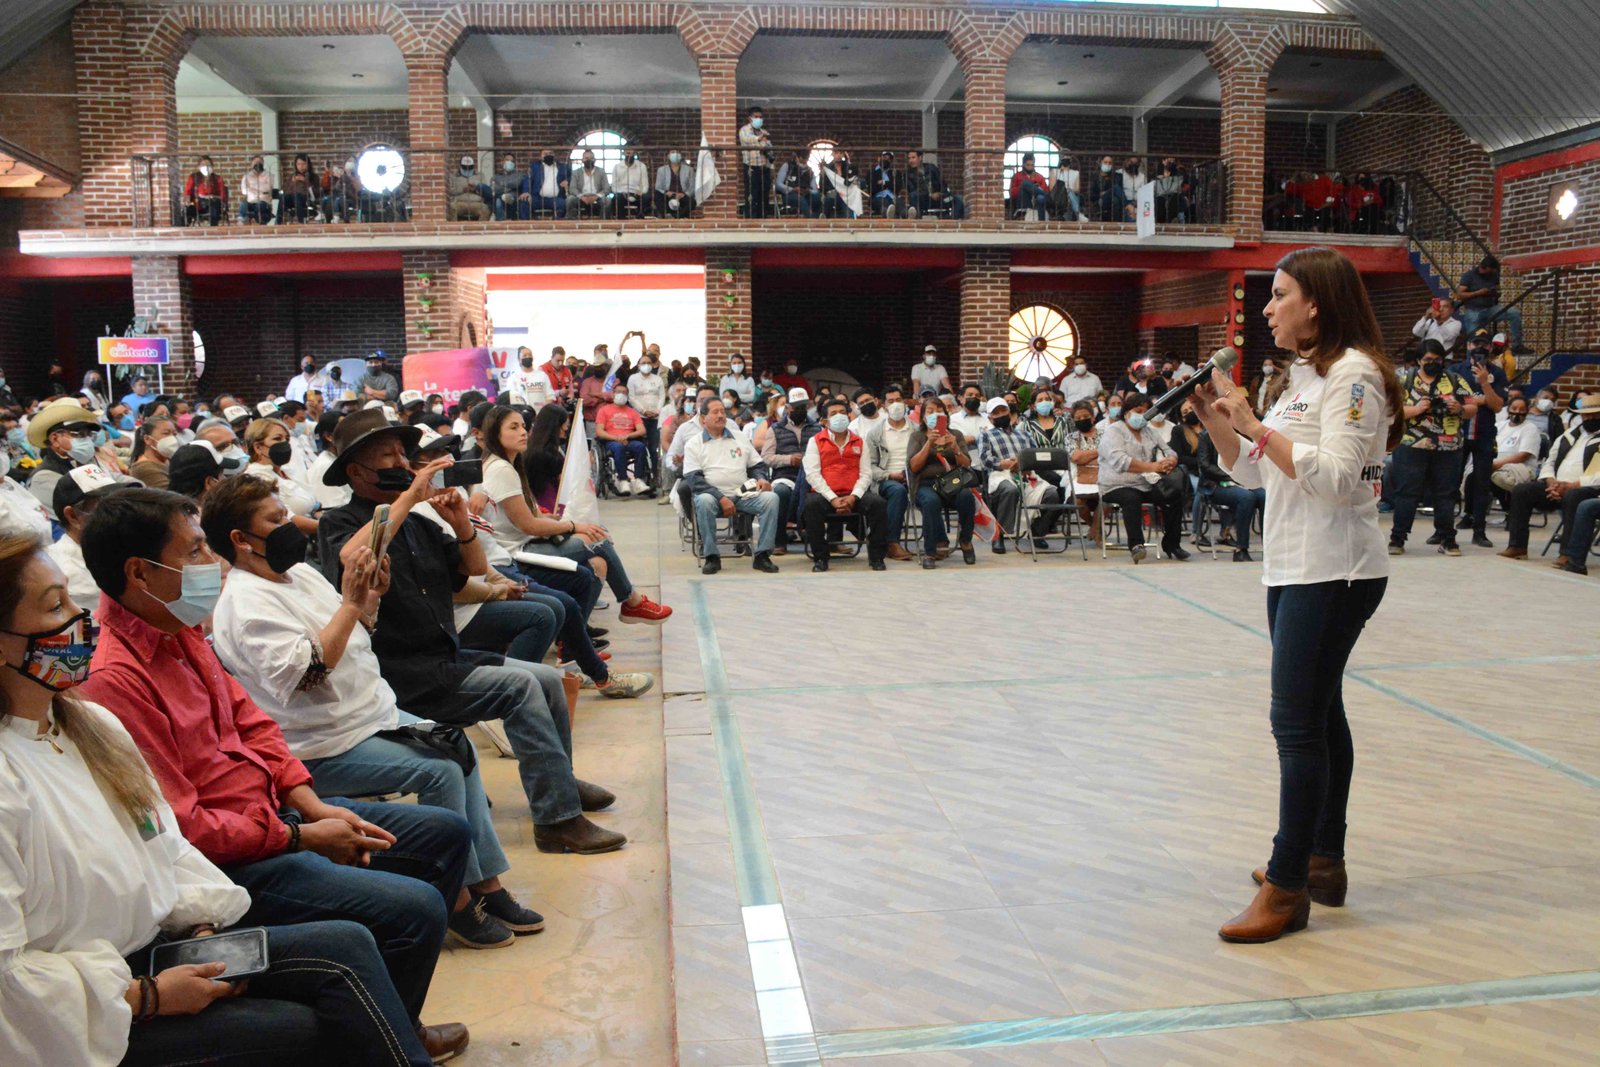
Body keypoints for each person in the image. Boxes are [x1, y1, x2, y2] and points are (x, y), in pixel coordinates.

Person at [0, 534, 442, 1067]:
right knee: (303, 1025)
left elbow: (163, 841)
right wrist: (148, 996)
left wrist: (201, 926)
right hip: (87, 1001)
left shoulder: (88, 724)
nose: (80, 618)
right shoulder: (23, 762)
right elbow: (9, 979)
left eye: (73, 598)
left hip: (159, 941)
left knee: (346, 946)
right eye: (55, 607)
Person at [202, 475, 546, 950]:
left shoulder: (296, 573)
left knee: (457, 745)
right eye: (276, 520)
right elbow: (308, 675)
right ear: (241, 539)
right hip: (322, 743)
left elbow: (356, 627)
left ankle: (487, 882)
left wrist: (369, 598)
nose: (290, 525)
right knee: (441, 770)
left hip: (369, 713)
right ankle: (457, 900)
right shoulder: (246, 604)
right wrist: (350, 604)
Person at [1189, 245, 1400, 944]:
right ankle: (1323, 860)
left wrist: (1256, 425)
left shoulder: (1354, 376)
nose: (1267, 308)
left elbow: (1338, 480)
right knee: (1320, 712)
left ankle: (1287, 887)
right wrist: (1219, 420)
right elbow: (1256, 474)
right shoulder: (1302, 378)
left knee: (1296, 724)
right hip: (1292, 565)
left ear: (1316, 303)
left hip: (1335, 569)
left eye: (1280, 295)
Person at [314, 409, 633, 854]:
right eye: (388, 456)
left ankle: (560, 783)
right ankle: (557, 820)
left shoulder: (420, 523)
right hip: (402, 671)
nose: (402, 463)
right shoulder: (340, 524)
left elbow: (473, 571)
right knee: (521, 687)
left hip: (445, 657)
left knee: (547, 679)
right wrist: (408, 499)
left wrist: (461, 524)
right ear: (356, 472)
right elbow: (354, 558)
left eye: (402, 454)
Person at [1388, 338, 1476, 556]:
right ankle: (1397, 539)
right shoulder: (1404, 379)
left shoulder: (1454, 379)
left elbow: (1472, 406)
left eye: (1437, 359)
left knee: (1446, 493)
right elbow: (1390, 411)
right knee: (1406, 493)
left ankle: (1448, 539)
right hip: (1411, 445)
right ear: (1419, 360)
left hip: (1449, 447)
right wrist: (1417, 409)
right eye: (1428, 359)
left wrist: (1459, 409)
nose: (1433, 363)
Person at [682, 398, 781, 574]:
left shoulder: (739, 437)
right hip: (712, 496)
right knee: (703, 501)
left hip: (743, 494)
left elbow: (757, 465)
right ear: (703, 418)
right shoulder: (694, 444)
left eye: (722, 411)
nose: (721, 415)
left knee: (771, 499)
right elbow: (694, 480)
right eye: (715, 412)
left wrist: (761, 479)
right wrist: (721, 498)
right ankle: (712, 556)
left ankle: (762, 555)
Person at [1499, 396, 1600, 560]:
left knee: (1573, 496)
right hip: (1556, 486)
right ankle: (1517, 547)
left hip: (1588, 488)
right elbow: (1549, 461)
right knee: (1522, 491)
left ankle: (1567, 554)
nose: (1590, 418)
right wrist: (1551, 481)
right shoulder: (1569, 434)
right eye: (1586, 415)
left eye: (1595, 415)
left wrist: (1573, 485)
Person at [1095, 393, 1185, 562]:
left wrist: (1171, 460)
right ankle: (1136, 545)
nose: (1142, 415)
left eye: (1146, 412)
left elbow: (1170, 451)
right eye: (1138, 411)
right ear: (1126, 412)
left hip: (1145, 483)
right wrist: (1153, 467)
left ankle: (1172, 544)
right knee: (1131, 497)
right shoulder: (1113, 431)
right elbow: (1120, 461)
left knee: (1173, 495)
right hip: (1115, 485)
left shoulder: (1150, 432)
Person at [801, 397, 888, 571]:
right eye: (833, 414)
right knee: (811, 505)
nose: (839, 416)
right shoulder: (815, 441)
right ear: (824, 421)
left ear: (849, 416)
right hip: (825, 495)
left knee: (878, 503)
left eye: (842, 412)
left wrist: (854, 496)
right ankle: (821, 558)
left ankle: (877, 557)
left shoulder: (859, 441)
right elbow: (812, 474)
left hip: (853, 494)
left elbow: (866, 474)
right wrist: (833, 498)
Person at [978, 397, 1062, 553]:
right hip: (1001, 474)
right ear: (990, 418)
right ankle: (999, 535)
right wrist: (1007, 464)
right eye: (996, 413)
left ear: (1009, 412)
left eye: (1003, 410)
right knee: (1010, 490)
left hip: (1026, 473)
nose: (1001, 414)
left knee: (1053, 494)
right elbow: (985, 459)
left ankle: (1037, 532)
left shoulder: (1025, 434)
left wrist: (1024, 463)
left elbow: (1035, 455)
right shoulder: (986, 435)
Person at [1450, 328, 1508, 547]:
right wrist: (1480, 400)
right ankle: (1444, 530)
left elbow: (1498, 405)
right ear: (1468, 346)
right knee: (1451, 482)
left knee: (1482, 484)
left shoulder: (1497, 373)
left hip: (1484, 434)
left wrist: (1484, 383)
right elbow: (1451, 400)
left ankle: (1479, 531)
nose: (1479, 348)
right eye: (1475, 344)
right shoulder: (1455, 371)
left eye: (1484, 344)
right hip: (1458, 432)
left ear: (1491, 347)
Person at [906, 396, 977, 568]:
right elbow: (913, 467)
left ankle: (966, 541)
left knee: (967, 497)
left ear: (945, 415)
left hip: (952, 482)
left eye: (939, 411)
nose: (935, 415)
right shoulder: (917, 436)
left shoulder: (955, 435)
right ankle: (930, 551)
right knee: (931, 501)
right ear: (923, 417)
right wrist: (928, 444)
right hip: (926, 483)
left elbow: (967, 464)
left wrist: (956, 448)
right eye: (930, 411)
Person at [241, 418, 319, 536]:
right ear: (258, 447)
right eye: (277, 439)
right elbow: (285, 519)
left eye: (287, 439)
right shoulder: (256, 478)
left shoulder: (285, 471)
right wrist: (328, 525)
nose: (285, 444)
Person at [863, 390, 916, 562]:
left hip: (915, 477)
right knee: (898, 491)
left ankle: (937, 542)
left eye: (899, 400)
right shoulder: (875, 433)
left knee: (931, 495)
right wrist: (889, 475)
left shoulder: (916, 429)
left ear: (905, 402)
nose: (896, 404)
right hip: (886, 480)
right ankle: (892, 542)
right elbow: (870, 465)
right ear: (883, 405)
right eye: (891, 401)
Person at [1455, 254, 1522, 347]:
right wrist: (1478, 293)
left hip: (1490, 308)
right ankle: (1473, 353)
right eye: (1486, 269)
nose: (1487, 272)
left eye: (1491, 271)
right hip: (1473, 310)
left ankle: (1517, 345)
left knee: (1514, 313)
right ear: (1483, 267)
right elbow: (1459, 295)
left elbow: (1498, 291)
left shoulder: (1493, 275)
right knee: (1474, 338)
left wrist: (1494, 293)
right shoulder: (1469, 276)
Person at [594, 385, 649, 495]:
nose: (621, 394)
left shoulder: (632, 412)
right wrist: (616, 438)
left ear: (627, 395)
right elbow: (599, 431)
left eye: (624, 392)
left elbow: (642, 430)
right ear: (613, 394)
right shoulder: (604, 410)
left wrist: (627, 436)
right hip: (611, 440)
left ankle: (638, 480)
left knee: (640, 446)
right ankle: (623, 480)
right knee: (618, 447)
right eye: (618, 391)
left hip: (629, 439)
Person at [1489, 394, 1541, 492]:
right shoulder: (1499, 425)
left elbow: (1523, 455)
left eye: (1522, 409)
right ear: (1508, 410)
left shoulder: (1530, 428)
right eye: (1514, 408)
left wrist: (1496, 464)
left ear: (1527, 411)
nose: (1517, 412)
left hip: (1518, 467)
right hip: (1493, 464)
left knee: (1499, 477)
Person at [738, 106, 774, 218]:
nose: (759, 119)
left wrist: (771, 167)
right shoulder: (744, 130)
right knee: (752, 195)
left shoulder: (764, 132)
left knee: (764, 195)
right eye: (756, 117)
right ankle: (751, 220)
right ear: (750, 118)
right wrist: (759, 139)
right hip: (751, 167)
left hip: (764, 167)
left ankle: (762, 218)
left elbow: (769, 149)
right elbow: (746, 139)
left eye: (760, 117)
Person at [128, 414, 180, 488]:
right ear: (147, 439)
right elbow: (172, 493)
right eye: (166, 433)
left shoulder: (168, 459)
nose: (172, 438)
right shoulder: (144, 468)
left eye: (174, 434)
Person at [518, 150, 568, 219]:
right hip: (537, 198)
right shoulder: (535, 167)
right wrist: (526, 191)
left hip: (556, 199)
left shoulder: (562, 167)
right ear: (540, 156)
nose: (548, 155)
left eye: (550, 153)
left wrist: (567, 182)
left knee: (563, 204)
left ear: (554, 155)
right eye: (545, 154)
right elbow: (528, 179)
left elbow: (569, 178)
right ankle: (526, 224)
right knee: (525, 201)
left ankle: (556, 223)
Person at [565, 149, 613, 220]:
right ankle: (572, 223)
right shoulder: (576, 172)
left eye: (591, 158)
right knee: (570, 200)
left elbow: (607, 188)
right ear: (582, 160)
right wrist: (581, 197)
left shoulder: (601, 171)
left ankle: (603, 223)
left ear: (595, 160)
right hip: (581, 196)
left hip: (597, 196)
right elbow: (572, 188)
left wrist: (596, 196)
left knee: (607, 201)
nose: (589, 160)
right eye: (586, 158)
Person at [183, 154, 227, 225]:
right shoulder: (194, 177)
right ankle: (184, 227)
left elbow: (223, 195)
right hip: (197, 203)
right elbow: (188, 192)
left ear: (212, 167)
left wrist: (213, 196)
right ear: (199, 167)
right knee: (187, 210)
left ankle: (213, 228)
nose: (206, 167)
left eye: (208, 165)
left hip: (212, 202)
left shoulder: (217, 178)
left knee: (214, 207)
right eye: (203, 165)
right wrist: (187, 200)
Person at [446, 154, 491, 221]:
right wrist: (462, 190)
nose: (467, 169)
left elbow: (486, 190)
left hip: (477, 203)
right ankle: (454, 227)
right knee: (452, 207)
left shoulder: (480, 176)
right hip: (459, 203)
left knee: (486, 209)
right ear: (460, 166)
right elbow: (450, 191)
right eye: (465, 167)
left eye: (470, 167)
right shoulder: (454, 176)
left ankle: (481, 227)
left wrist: (475, 189)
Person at [653, 150, 696, 218]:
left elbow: (692, 187)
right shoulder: (661, 170)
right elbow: (658, 187)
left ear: (680, 156)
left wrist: (683, 194)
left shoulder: (689, 170)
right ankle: (666, 215)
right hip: (668, 195)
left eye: (677, 152)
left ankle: (678, 216)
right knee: (657, 196)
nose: (675, 154)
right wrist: (666, 192)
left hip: (682, 196)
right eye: (673, 152)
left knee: (692, 202)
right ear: (668, 156)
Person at [279, 154, 319, 225]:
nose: (301, 166)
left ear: (308, 165)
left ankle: (301, 222)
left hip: (306, 199)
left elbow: (315, 193)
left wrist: (305, 181)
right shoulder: (292, 176)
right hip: (291, 199)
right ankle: (278, 222)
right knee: (283, 198)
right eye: (299, 164)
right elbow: (285, 190)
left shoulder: (314, 177)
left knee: (296, 195)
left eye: (304, 164)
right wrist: (292, 182)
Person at [611, 149, 651, 218]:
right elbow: (614, 187)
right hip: (622, 193)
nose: (629, 152)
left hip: (637, 193)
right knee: (617, 198)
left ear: (634, 153)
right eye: (627, 151)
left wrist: (641, 192)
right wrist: (621, 192)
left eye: (631, 150)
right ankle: (621, 220)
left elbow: (645, 185)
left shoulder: (641, 166)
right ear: (623, 153)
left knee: (647, 197)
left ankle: (640, 219)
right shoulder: (617, 167)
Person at [1009, 153, 1050, 219]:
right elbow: (1012, 193)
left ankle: (1041, 221)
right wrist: (1024, 187)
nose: (1030, 167)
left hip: (1037, 202)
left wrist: (1036, 188)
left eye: (1032, 165)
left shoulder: (1040, 177)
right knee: (1025, 183)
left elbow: (1045, 190)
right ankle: (1049, 197)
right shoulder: (1017, 176)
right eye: (1028, 165)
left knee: (1040, 197)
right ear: (1023, 164)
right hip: (1023, 202)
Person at [239, 154, 274, 224]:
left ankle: (259, 223)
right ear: (252, 164)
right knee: (243, 203)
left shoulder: (269, 175)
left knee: (260, 206)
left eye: (260, 162)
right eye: (256, 162)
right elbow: (244, 190)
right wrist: (260, 190)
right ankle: (242, 222)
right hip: (250, 201)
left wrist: (252, 187)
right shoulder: (247, 176)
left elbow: (267, 188)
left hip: (263, 201)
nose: (258, 164)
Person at [491, 153, 524, 220]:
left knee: (502, 199)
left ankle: (501, 222)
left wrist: (501, 184)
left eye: (512, 161)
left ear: (514, 164)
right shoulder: (496, 177)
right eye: (507, 160)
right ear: (502, 162)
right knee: (498, 200)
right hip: (499, 198)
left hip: (513, 202)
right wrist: (510, 187)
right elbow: (494, 188)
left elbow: (516, 184)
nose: (509, 162)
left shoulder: (519, 175)